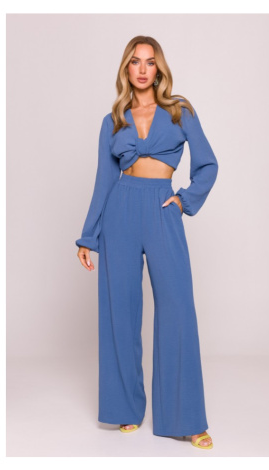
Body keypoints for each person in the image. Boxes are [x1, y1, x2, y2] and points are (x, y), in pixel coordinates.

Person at [75, 36, 218, 450]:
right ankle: (125, 408)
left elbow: (208, 164)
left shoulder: (179, 111)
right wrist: (89, 236)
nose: (142, 69)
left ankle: (185, 418)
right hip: (120, 210)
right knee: (120, 310)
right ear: (127, 68)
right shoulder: (113, 120)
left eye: (150, 62)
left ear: (159, 69)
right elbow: (104, 181)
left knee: (177, 308)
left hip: (161, 208)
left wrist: (184, 200)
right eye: (135, 62)